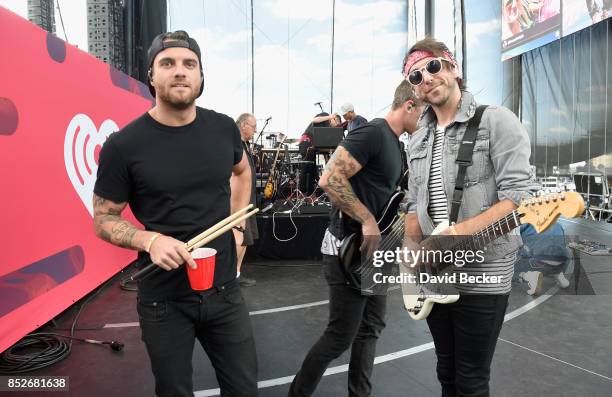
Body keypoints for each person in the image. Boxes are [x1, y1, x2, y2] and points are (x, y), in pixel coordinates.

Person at [92, 31, 257, 397]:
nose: (179, 71)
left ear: (200, 76)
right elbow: (103, 219)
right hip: (163, 300)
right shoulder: (123, 146)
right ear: (151, 75)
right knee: (174, 392)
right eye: (167, 63)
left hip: (224, 290)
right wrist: (149, 240)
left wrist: (240, 227)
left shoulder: (223, 128)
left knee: (245, 389)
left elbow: (243, 171)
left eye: (189, 64)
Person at [402, 37, 533, 397]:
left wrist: (452, 236)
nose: (426, 78)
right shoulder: (418, 138)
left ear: (453, 68)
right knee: (446, 372)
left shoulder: (496, 121)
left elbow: (517, 198)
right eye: (415, 76)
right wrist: (411, 254)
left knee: (472, 379)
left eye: (432, 67)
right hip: (434, 270)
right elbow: (414, 205)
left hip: (485, 269)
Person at [288, 81, 424, 397]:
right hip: (348, 251)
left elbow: (387, 200)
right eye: (426, 115)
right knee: (340, 336)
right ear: (409, 105)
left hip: (376, 254)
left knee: (371, 329)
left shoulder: (397, 145)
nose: (427, 124)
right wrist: (366, 219)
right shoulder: (373, 134)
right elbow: (329, 179)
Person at [234, 113, 259, 287]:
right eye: (253, 126)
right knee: (240, 238)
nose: (255, 130)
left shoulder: (243, 144)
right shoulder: (235, 144)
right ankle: (231, 276)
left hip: (247, 198)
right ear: (243, 125)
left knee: (245, 239)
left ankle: (235, 274)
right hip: (238, 201)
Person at [298, 112, 343, 195]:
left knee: (312, 169)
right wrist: (330, 116)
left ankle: (310, 193)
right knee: (306, 167)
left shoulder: (327, 127)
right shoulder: (325, 116)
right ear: (334, 118)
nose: (336, 126)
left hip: (312, 147)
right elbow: (314, 120)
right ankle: (302, 192)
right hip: (306, 142)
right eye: (337, 123)